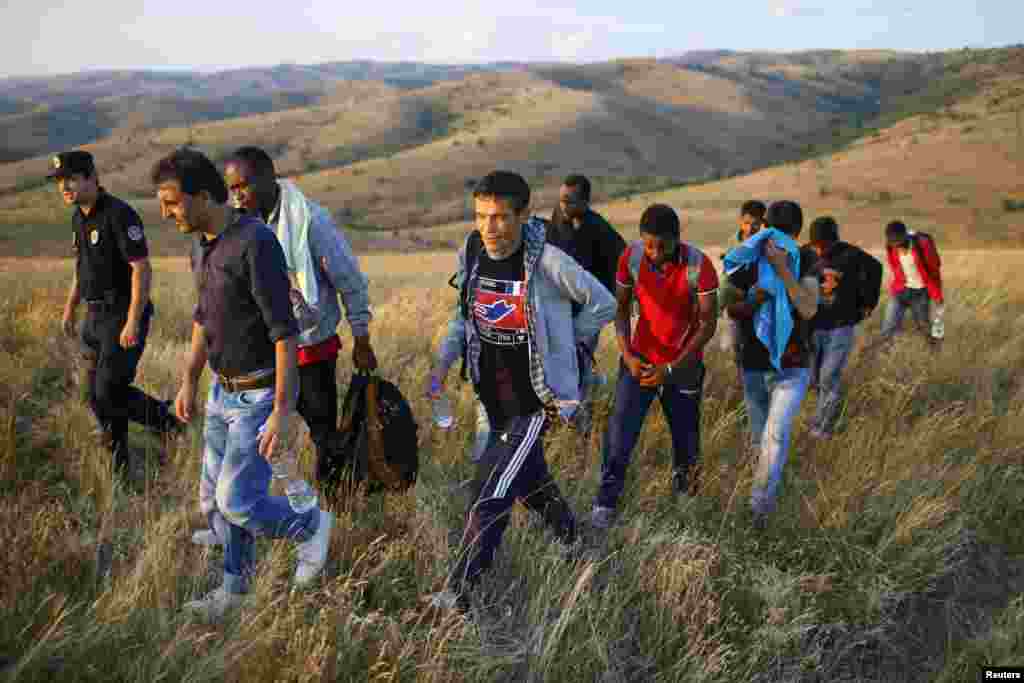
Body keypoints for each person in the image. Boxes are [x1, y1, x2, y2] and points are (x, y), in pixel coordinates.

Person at [154, 148, 333, 619]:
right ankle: (235, 593)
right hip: (221, 389)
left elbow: (284, 332)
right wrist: (189, 380)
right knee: (215, 499)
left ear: (202, 196)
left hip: (257, 395)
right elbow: (203, 316)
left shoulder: (256, 242)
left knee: (238, 501)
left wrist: (281, 409)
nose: (165, 212)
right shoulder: (202, 244)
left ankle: (309, 525)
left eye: (172, 202)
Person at [429, 171, 616, 610]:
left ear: (523, 215)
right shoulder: (472, 251)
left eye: (500, 218)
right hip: (490, 399)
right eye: (481, 216)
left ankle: (460, 592)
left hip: (535, 403)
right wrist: (441, 363)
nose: (489, 229)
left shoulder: (549, 262)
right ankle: (574, 541)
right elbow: (464, 317)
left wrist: (567, 342)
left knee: (490, 490)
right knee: (531, 482)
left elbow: (603, 302)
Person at [221, 147, 377, 505]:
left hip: (310, 347)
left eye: (244, 185)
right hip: (263, 350)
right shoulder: (240, 226)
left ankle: (334, 504)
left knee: (322, 433)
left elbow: (349, 280)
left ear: (267, 178)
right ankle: (267, 505)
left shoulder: (310, 221)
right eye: (232, 188)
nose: (238, 195)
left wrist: (362, 338)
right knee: (261, 435)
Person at [590, 204, 719, 530]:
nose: (655, 252)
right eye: (649, 244)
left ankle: (686, 512)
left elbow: (707, 324)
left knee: (686, 440)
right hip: (639, 362)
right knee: (619, 435)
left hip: (683, 366)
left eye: (663, 246)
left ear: (677, 239)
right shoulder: (631, 259)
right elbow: (620, 310)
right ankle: (605, 507)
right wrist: (628, 355)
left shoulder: (698, 266)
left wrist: (672, 369)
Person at [53, 150, 182, 472]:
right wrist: (70, 309)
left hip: (121, 315)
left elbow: (141, 268)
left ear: (91, 178)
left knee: (109, 391)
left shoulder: (118, 215)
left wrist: (133, 320)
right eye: (59, 181)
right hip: (93, 318)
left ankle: (146, 441)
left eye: (70, 179)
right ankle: (159, 425)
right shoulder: (77, 218)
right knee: (97, 396)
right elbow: (80, 269)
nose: (64, 187)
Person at [723, 200, 819, 529]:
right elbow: (729, 304)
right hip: (754, 363)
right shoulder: (748, 257)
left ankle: (758, 510)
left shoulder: (805, 259)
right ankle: (762, 495)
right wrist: (755, 299)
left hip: (792, 367)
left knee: (774, 436)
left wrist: (782, 271)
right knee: (758, 439)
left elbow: (807, 308)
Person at [545, 174, 627, 436]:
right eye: (560, 200)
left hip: (587, 316)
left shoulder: (599, 230)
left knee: (577, 368)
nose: (562, 205)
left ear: (584, 202)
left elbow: (621, 265)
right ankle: (560, 423)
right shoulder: (556, 222)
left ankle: (579, 427)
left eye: (569, 201)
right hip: (555, 313)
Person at [806, 216, 882, 439]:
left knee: (828, 376)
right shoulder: (805, 254)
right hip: (813, 326)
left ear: (834, 241)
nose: (819, 250)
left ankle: (822, 428)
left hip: (841, 325)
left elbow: (876, 269)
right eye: (816, 245)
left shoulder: (852, 255)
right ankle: (826, 413)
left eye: (824, 245)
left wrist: (868, 302)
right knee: (813, 378)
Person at [876, 220, 944, 349]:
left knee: (924, 327)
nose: (896, 247)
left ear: (905, 236)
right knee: (888, 325)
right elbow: (895, 265)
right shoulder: (890, 246)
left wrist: (937, 295)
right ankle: (884, 352)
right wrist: (898, 283)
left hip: (920, 292)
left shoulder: (922, 245)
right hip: (900, 291)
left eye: (898, 243)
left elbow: (934, 270)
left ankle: (935, 351)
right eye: (893, 243)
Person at [719, 201, 767, 369]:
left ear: (762, 223)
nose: (751, 229)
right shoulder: (733, 242)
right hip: (735, 296)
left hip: (755, 298)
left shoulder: (765, 245)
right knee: (735, 345)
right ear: (740, 221)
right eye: (747, 224)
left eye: (756, 225)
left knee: (752, 343)